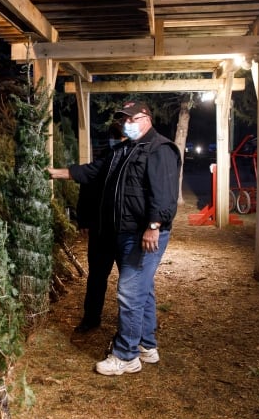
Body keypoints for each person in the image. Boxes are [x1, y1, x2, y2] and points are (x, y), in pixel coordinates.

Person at [49, 101, 181, 376]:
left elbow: (165, 195)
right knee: (142, 291)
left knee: (130, 292)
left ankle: (126, 355)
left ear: (146, 117)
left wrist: (153, 226)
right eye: (123, 120)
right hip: (123, 232)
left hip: (143, 234)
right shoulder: (124, 150)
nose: (126, 124)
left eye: (130, 119)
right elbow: (93, 171)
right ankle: (146, 345)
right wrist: (56, 173)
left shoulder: (160, 149)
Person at [74, 122, 125, 334]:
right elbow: (86, 188)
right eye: (117, 136)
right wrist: (84, 220)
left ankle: (128, 323)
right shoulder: (103, 159)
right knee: (96, 277)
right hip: (100, 229)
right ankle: (91, 317)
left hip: (122, 231)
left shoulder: (133, 160)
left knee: (128, 282)